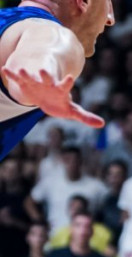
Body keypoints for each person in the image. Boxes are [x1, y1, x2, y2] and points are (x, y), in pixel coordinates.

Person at [0, 0, 116, 160]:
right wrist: (41, 80)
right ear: (83, 2)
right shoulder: (52, 32)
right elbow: (43, 52)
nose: (110, 19)